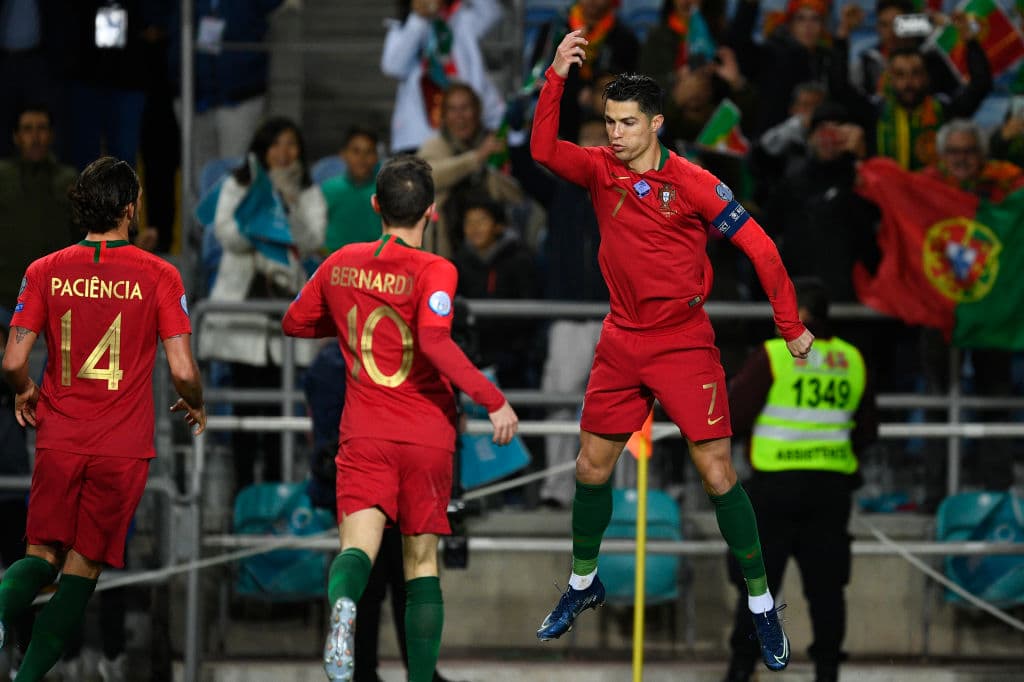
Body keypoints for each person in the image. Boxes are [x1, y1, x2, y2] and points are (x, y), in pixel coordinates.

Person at [529, 31, 814, 673]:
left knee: (718, 475)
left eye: (628, 124)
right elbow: (543, 148)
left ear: (656, 123)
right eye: (608, 122)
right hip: (622, 340)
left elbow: (763, 250)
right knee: (590, 470)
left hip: (684, 344)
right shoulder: (600, 170)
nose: (615, 135)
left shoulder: (694, 182)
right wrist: (555, 78)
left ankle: (764, 604)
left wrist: (790, 325)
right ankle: (582, 584)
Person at [281, 155, 518, 681]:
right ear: (431, 212)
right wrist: (492, 397)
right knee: (421, 565)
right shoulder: (437, 269)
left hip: (364, 432)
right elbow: (434, 341)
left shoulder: (341, 261)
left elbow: (294, 321)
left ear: (374, 205)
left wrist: (348, 325)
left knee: (357, 551)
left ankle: (343, 607)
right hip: (425, 434)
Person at [0, 156, 206, 682]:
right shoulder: (159, 274)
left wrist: (24, 390)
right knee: (82, 569)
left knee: (41, 555)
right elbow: (182, 369)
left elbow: (12, 361)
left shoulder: (43, 270)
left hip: (59, 439)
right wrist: (197, 400)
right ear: (131, 208)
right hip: (121, 448)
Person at [723, 277, 877, 682]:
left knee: (758, 588)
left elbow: (733, 418)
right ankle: (827, 673)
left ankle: (741, 670)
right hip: (830, 491)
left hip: (775, 489)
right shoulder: (852, 359)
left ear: (802, 315)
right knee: (827, 592)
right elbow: (866, 431)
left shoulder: (774, 355)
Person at [200, 116, 326, 491]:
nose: (284, 153)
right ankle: (242, 500)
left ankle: (271, 501)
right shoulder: (238, 185)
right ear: (262, 150)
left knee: (276, 418)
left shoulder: (307, 192)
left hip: (284, 312)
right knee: (244, 415)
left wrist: (287, 208)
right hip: (244, 316)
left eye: (291, 145)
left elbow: (310, 238)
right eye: (276, 145)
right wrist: (262, 215)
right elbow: (227, 234)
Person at [830, 11, 992, 170]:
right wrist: (843, 34)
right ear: (890, 80)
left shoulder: (943, 111)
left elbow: (980, 85)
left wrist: (970, 42)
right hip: (885, 194)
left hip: (933, 193)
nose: (908, 82)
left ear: (927, 78)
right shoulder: (874, 113)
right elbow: (839, 88)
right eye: (900, 75)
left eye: (916, 73)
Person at [381, 0, 505, 155]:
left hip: (467, 132)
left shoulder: (463, 18)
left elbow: (492, 12)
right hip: (419, 135)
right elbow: (393, 67)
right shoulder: (406, 25)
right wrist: (419, 19)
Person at [417, 83, 523, 261]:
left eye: (465, 108)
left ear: (478, 112)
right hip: (444, 249)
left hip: (493, 253)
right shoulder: (434, 146)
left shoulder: (496, 145)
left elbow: (517, 195)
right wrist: (476, 158)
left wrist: (491, 168)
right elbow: (427, 177)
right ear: (443, 116)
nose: (460, 117)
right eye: (452, 109)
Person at [0, 104, 77, 311]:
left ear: (51, 135)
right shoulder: (3, 176)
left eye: (41, 128)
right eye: (27, 129)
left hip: (56, 299)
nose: (35, 137)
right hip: (6, 299)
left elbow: (87, 233)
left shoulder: (68, 180)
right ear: (16, 136)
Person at [321, 126, 382, 252]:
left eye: (369, 152)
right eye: (356, 151)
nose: (362, 158)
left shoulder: (385, 191)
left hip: (375, 266)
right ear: (343, 154)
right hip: (334, 264)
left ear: (377, 157)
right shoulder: (328, 190)